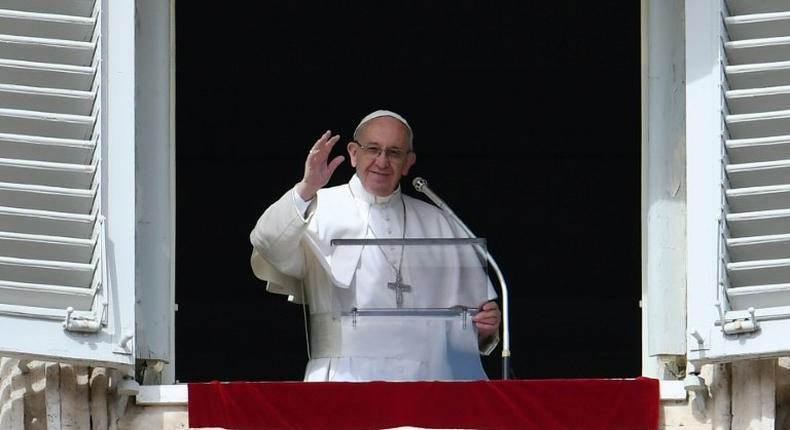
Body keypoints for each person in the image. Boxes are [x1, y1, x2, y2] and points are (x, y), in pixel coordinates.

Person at [249, 109, 501, 381]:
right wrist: (306, 187)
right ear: (354, 153)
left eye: (394, 152)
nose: (382, 161)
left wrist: (483, 329)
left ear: (408, 162)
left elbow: (465, 326)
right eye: (373, 149)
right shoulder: (316, 208)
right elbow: (267, 243)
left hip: (428, 381)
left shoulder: (439, 221)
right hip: (343, 379)